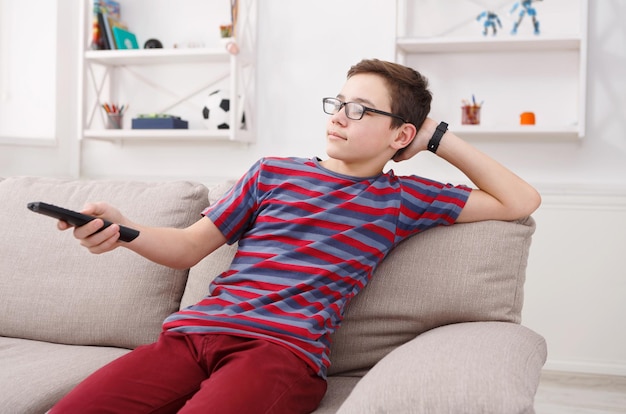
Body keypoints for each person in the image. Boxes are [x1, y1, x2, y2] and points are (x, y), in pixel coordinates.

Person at [50, 58, 541, 414]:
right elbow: (186, 248)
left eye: (361, 110)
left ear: (400, 135)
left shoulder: (401, 199)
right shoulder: (272, 174)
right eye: (339, 103)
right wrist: (123, 229)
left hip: (280, 354)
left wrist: (437, 137)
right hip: (190, 338)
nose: (338, 116)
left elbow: (519, 201)